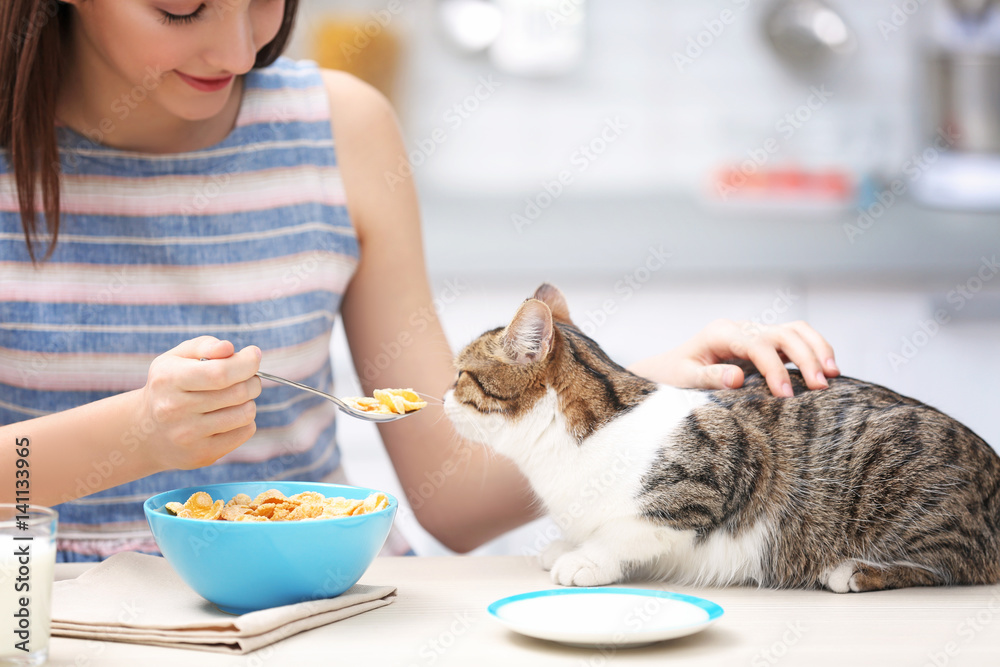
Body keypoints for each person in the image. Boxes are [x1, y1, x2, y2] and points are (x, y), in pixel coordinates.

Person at [0, 0, 840, 561]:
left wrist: (644, 392)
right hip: (43, 623)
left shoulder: (341, 126)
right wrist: (141, 433)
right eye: (180, 6)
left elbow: (453, 497)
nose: (237, 46)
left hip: (327, 616)